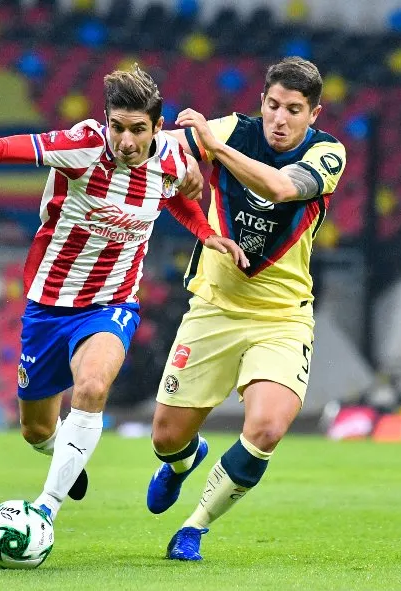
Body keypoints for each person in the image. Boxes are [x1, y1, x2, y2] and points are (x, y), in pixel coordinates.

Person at [0, 66, 248, 523]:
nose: (126, 141)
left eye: (138, 130)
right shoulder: (81, 148)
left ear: (158, 128)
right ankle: (64, 458)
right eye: (118, 127)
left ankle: (44, 511)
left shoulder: (171, 156)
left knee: (93, 387)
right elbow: (2, 146)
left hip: (112, 303)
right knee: (36, 430)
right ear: (106, 121)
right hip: (48, 305)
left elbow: (171, 193)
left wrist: (205, 232)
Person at [144, 57, 347, 560]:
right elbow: (159, 151)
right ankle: (180, 462)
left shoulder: (328, 154)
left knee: (267, 428)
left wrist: (212, 151)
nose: (281, 119)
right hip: (213, 308)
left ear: (314, 115)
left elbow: (280, 188)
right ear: (262, 103)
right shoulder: (233, 129)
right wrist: (184, 172)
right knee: (166, 438)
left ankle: (194, 527)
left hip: (282, 318)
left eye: (294, 110)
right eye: (273, 106)